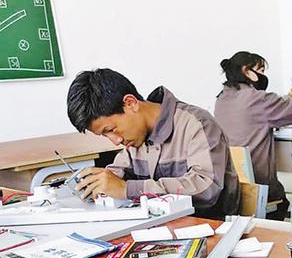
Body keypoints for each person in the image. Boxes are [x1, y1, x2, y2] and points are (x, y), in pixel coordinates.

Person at [66, 68, 239, 218]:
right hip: (161, 226)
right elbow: (117, 173)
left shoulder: (197, 124)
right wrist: (99, 182)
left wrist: (128, 189)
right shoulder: (135, 138)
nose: (116, 141)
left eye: (111, 129)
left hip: (210, 227)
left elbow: (206, 188)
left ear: (130, 103)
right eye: (105, 136)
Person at [214, 51, 292, 219]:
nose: (263, 76)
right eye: (260, 70)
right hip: (259, 186)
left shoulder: (221, 99)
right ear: (247, 71)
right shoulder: (257, 99)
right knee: (282, 202)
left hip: (230, 186)